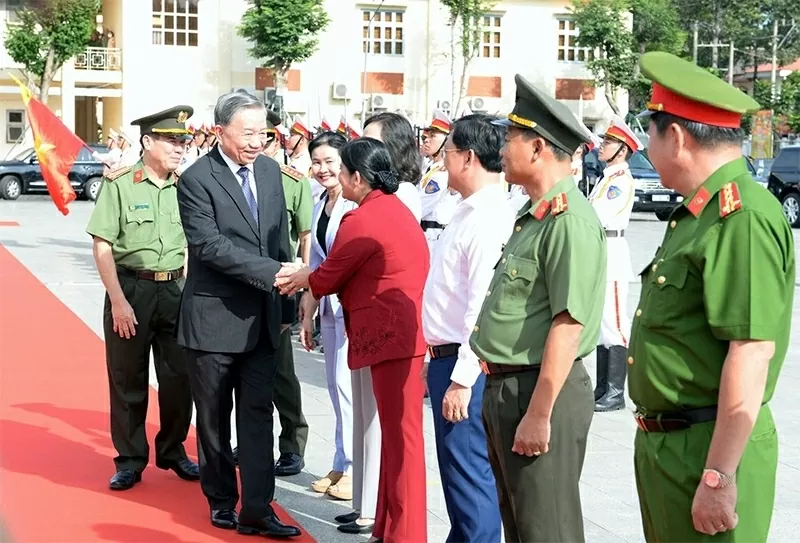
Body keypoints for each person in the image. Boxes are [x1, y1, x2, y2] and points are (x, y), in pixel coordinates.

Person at [629, 51, 795, 542]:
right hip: (671, 447)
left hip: (709, 450)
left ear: (675, 136)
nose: (646, 146)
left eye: (650, 132)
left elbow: (752, 349)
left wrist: (719, 476)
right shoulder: (698, 214)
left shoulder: (739, 217)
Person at [469, 75, 607, 542]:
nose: (502, 148)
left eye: (509, 138)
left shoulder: (568, 222)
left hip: (540, 391)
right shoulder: (535, 215)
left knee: (547, 531)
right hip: (508, 388)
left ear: (538, 148)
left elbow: (569, 325)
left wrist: (540, 412)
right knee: (523, 527)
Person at [275, 138, 429, 543]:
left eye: (341, 171)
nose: (336, 179)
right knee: (396, 441)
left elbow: (326, 277)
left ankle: (406, 534)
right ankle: (388, 525)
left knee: (401, 443)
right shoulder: (394, 209)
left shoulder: (363, 219)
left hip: (388, 339)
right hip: (399, 337)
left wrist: (301, 277)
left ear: (357, 177)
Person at [175, 91, 300, 538]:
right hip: (213, 321)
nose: (257, 141)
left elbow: (278, 237)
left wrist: (286, 302)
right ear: (220, 130)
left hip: (264, 319)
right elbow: (209, 247)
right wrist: (275, 273)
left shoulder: (269, 171)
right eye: (247, 133)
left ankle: (258, 508)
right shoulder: (196, 179)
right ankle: (222, 499)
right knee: (213, 419)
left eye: (263, 132)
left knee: (258, 415)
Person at [85, 105, 198, 491]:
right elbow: (102, 245)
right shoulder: (120, 185)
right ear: (147, 142)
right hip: (131, 290)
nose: (180, 147)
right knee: (127, 378)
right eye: (171, 140)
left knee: (180, 378)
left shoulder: (187, 186)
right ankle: (131, 459)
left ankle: (173, 450)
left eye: (183, 140)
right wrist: (117, 299)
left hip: (176, 291)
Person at [422, 114, 512, 542]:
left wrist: (460, 377)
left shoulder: (487, 216)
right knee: (459, 480)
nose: (443, 160)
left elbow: (482, 305)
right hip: (449, 358)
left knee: (469, 475)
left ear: (468, 157)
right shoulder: (468, 209)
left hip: (466, 364)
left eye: (448, 151)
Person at [299, 132, 368, 522]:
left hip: (350, 306)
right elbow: (316, 255)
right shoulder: (318, 200)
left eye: (331, 161)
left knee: (347, 384)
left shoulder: (353, 203)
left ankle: (358, 469)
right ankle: (341, 461)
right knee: (332, 383)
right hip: (326, 301)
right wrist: (307, 309)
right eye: (318, 162)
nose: (323, 169)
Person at [589, 116, 642, 412]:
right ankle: (602, 387)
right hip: (601, 251)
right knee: (601, 324)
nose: (602, 146)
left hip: (613, 251)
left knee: (616, 324)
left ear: (622, 149)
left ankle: (615, 392)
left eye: (608, 142)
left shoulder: (620, 182)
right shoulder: (607, 177)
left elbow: (597, 215)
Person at [362, 112, 423, 222]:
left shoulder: (404, 193)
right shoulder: (363, 185)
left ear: (395, 147)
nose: (363, 149)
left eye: (371, 144)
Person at [418, 109, 460, 250]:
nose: (426, 140)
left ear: (445, 141)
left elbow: (419, 207)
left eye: (433, 136)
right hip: (426, 234)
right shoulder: (433, 168)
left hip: (433, 237)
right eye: (426, 136)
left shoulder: (442, 174)